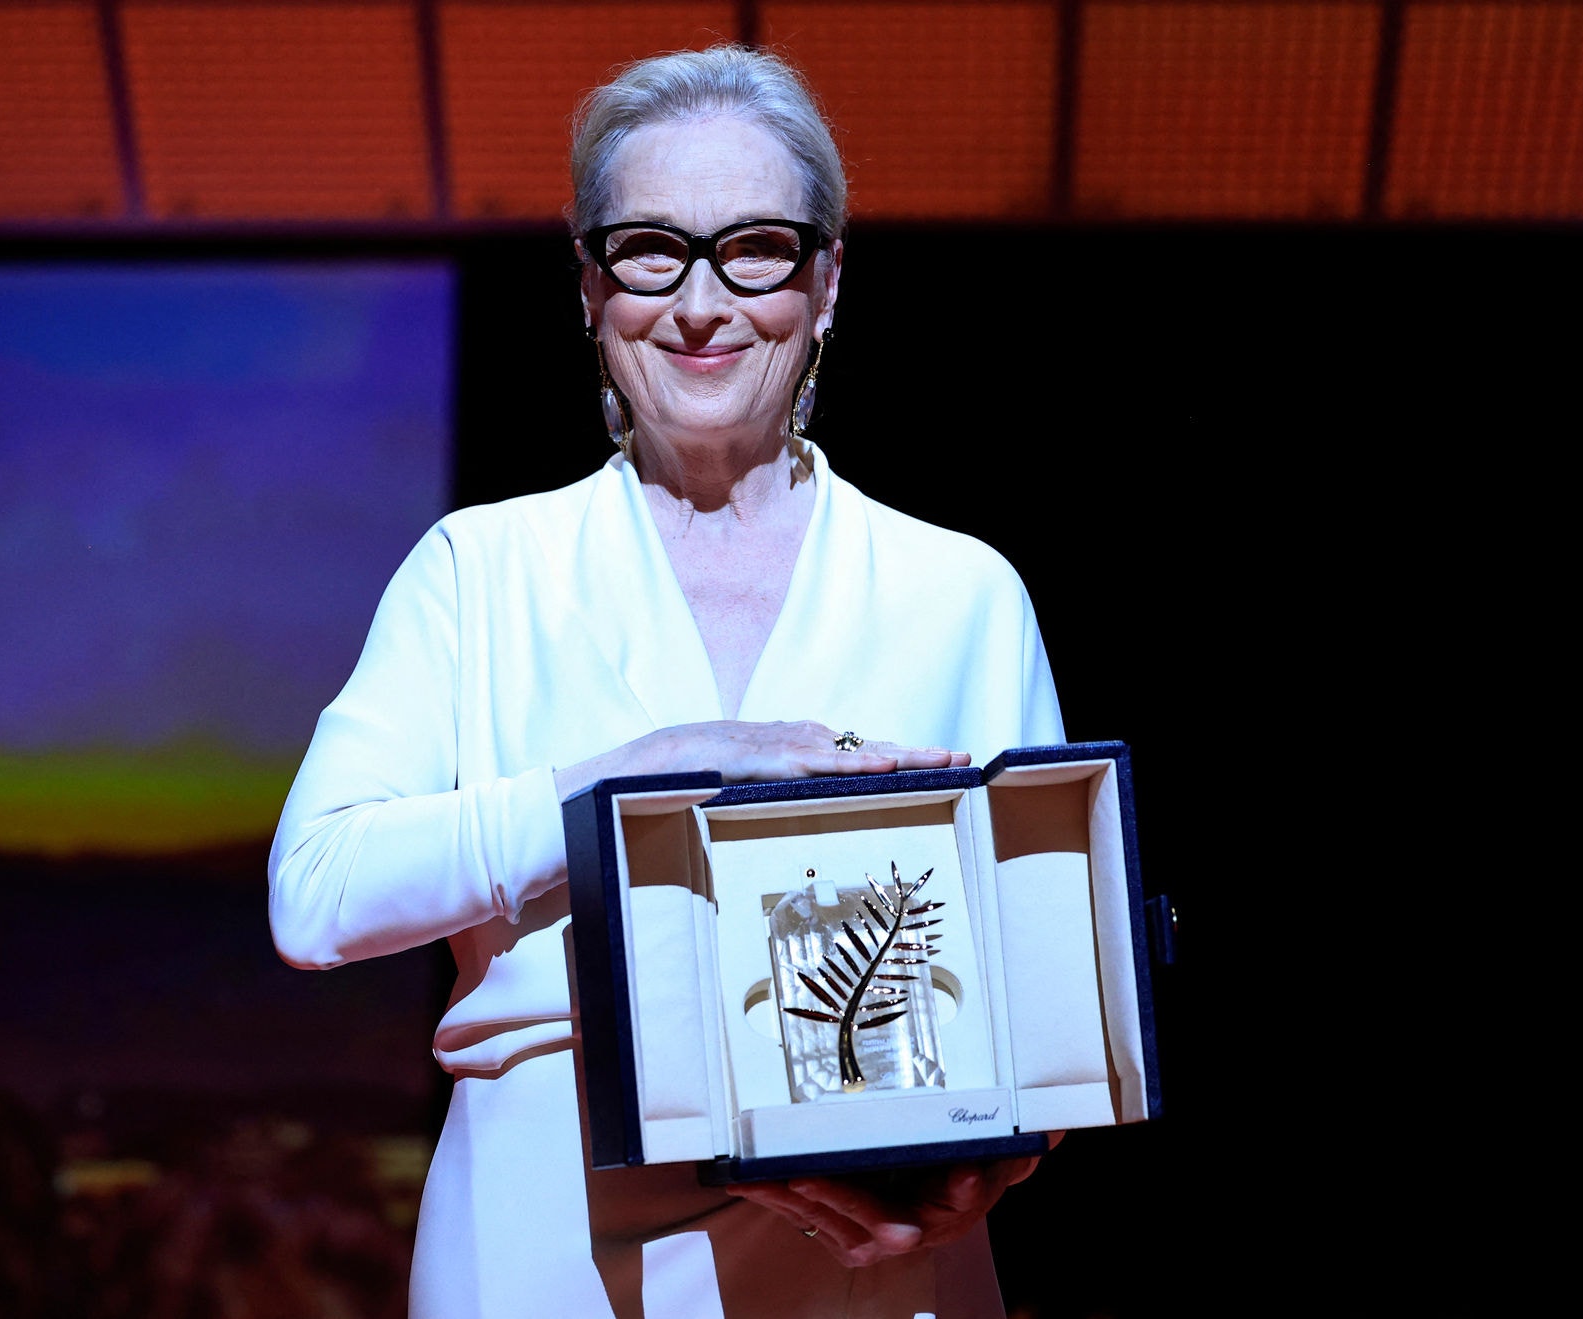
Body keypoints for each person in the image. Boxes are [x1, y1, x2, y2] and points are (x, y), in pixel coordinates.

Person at [270, 44, 1065, 1319]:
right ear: (590, 288)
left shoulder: (957, 592)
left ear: (825, 280)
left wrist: (1005, 1162)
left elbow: (1041, 989)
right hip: (543, 1251)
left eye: (753, 247)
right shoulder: (483, 571)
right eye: (650, 248)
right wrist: (619, 783)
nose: (700, 304)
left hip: (869, 1259)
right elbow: (314, 896)